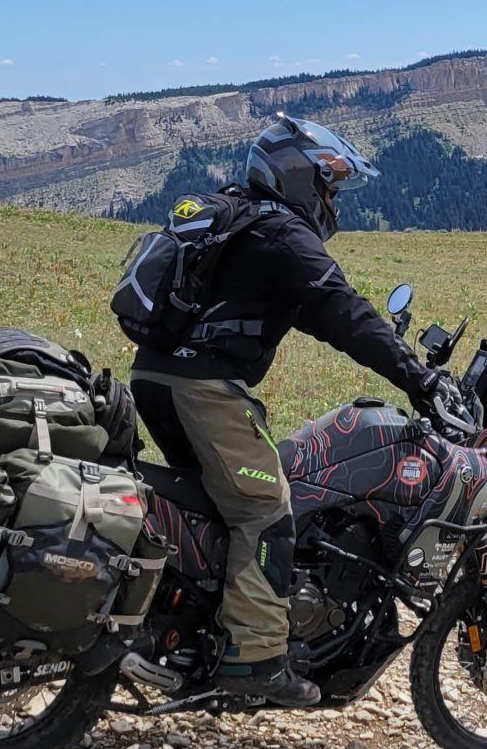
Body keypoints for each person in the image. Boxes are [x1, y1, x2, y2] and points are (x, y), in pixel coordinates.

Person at [127, 116, 469, 706]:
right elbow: (347, 312)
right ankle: (253, 658)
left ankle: (189, 630)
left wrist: (400, 364)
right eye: (329, 185)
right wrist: (421, 380)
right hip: (203, 389)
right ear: (299, 177)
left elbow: (324, 319)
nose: (333, 200)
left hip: (157, 375)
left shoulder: (243, 223)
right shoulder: (283, 236)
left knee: (215, 512)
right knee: (264, 506)